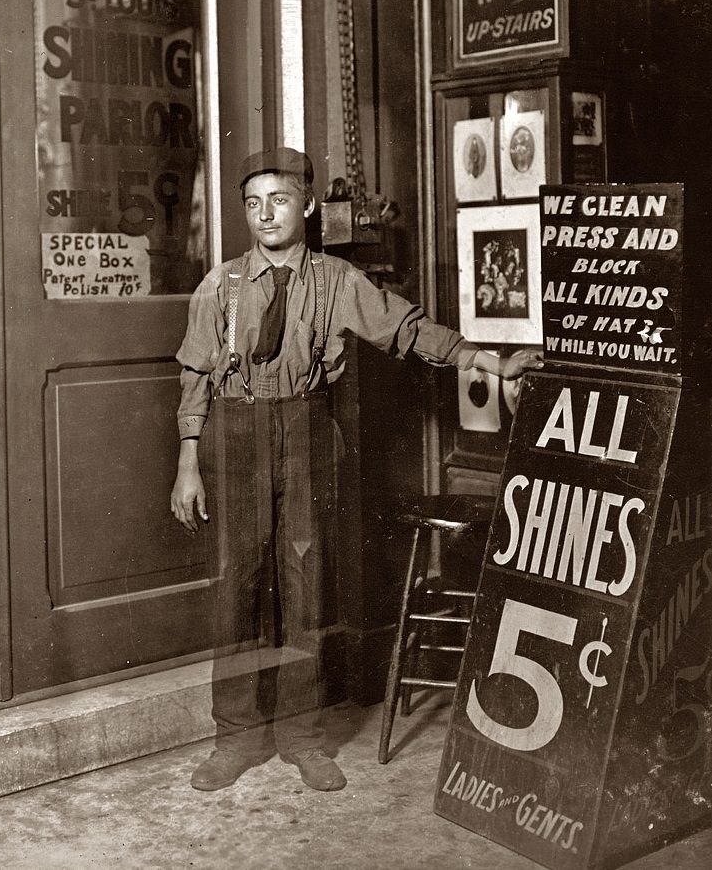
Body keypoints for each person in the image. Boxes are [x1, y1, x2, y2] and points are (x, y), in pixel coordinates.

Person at [170, 147, 542, 793]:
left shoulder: (337, 281)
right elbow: (196, 375)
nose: (264, 214)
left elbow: (409, 331)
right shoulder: (219, 284)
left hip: (307, 431)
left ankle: (302, 737)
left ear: (306, 205)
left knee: (308, 584)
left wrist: (488, 360)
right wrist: (187, 462)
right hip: (234, 437)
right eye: (253, 203)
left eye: (278, 200)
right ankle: (234, 736)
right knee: (236, 588)